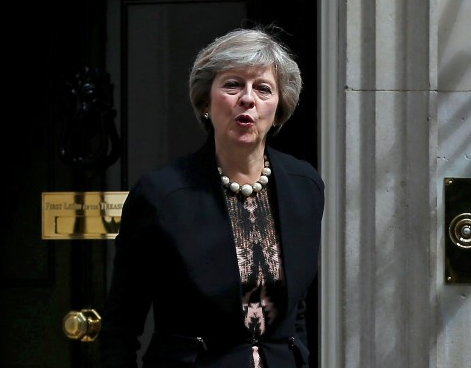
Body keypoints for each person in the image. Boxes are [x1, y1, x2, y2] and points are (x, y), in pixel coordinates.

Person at [99, 26, 325, 368]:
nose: (247, 98)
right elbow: (121, 325)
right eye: (233, 84)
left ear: (279, 110)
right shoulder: (163, 194)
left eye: (263, 88)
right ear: (206, 101)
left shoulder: (304, 185)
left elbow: (297, 310)